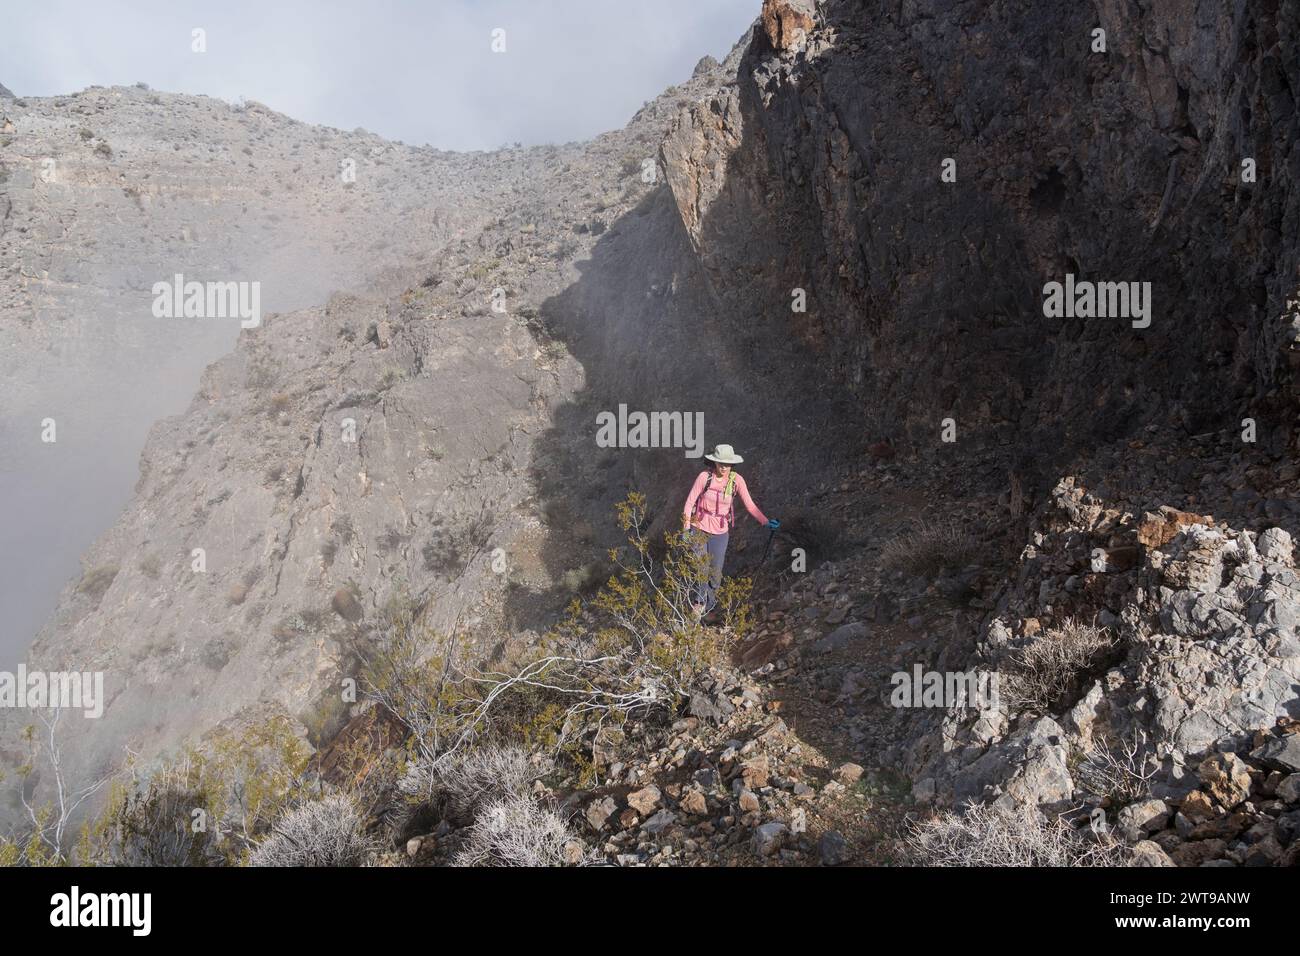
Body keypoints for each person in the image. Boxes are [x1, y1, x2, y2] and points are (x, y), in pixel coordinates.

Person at [681, 444, 779, 617]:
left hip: (720, 532)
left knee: (716, 574)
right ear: (714, 462)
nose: (724, 466)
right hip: (699, 528)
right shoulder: (705, 477)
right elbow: (689, 503)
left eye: (727, 463)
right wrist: (686, 529)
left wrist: (766, 522)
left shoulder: (736, 481)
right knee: (702, 569)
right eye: (720, 462)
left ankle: (709, 608)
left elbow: (750, 505)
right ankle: (699, 604)